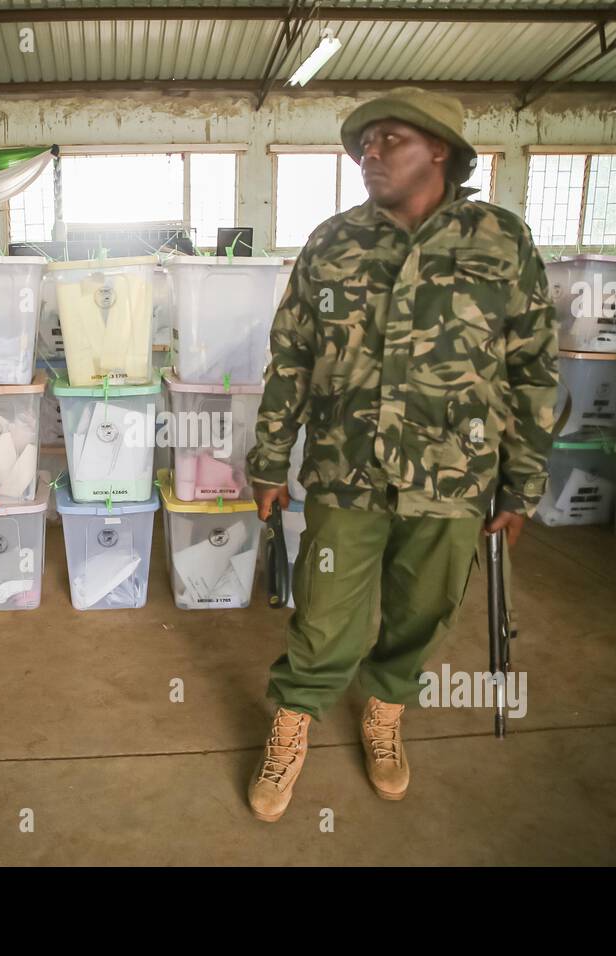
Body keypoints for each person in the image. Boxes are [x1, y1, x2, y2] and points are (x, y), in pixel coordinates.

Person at [245, 87, 559, 822]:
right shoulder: (333, 242)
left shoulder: (501, 240)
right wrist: (268, 461)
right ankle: (293, 720)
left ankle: (385, 709)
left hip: (453, 476)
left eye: (387, 139)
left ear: (439, 149)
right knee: (325, 616)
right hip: (344, 468)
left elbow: (533, 367)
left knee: (424, 610)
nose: (369, 155)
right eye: (363, 145)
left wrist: (522, 486)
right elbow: (289, 356)